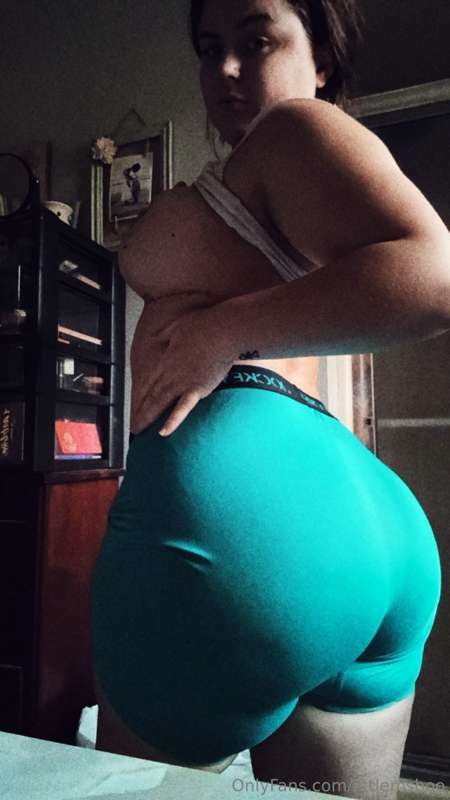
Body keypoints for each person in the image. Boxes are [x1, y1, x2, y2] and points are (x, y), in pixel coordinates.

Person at [90, 1, 450, 796]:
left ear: (320, 58)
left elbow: (436, 276)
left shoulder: (294, 128)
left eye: (256, 40)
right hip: (363, 523)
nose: (224, 69)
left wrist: (221, 331)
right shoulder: (284, 176)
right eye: (208, 48)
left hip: (245, 527)